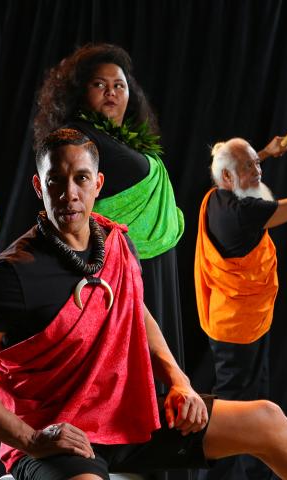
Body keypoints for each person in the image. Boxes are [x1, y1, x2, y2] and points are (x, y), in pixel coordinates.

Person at [0, 128, 287, 480]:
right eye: (56, 179)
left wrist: (179, 381)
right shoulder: (10, 272)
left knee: (268, 421)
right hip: (59, 436)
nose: (69, 192)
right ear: (39, 186)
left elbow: (134, 309)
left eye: (81, 178)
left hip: (126, 413)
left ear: (97, 184)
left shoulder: (117, 243)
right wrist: (31, 439)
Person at [33, 43, 186, 374]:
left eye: (119, 85)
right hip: (115, 263)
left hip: (151, 259)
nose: (111, 93)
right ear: (79, 91)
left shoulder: (122, 139)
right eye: (99, 84)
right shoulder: (76, 138)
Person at [194, 137, 287, 480]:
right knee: (234, 413)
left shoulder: (216, 197)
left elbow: (238, 167)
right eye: (248, 167)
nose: (258, 171)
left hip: (237, 320)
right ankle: (218, 475)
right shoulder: (246, 212)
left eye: (257, 163)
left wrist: (265, 152)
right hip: (239, 330)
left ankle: (255, 472)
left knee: (256, 405)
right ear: (227, 178)